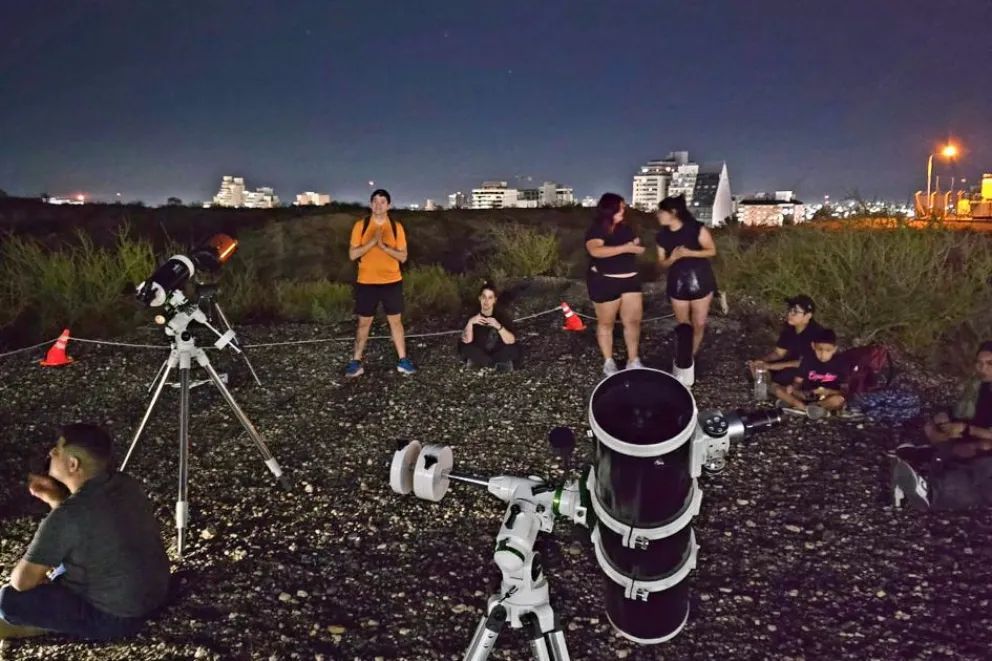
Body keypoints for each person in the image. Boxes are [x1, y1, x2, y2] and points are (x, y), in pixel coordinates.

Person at [0, 424, 170, 641]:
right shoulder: (126, 484)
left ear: (73, 464)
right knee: (67, 562)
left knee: (9, 600)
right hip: (155, 594)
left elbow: (21, 582)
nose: (51, 452)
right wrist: (54, 499)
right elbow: (87, 529)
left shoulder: (67, 515)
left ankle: (48, 627)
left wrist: (36, 579)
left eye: (58, 450)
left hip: (114, 617)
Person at [892, 342, 992, 510]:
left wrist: (966, 430)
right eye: (979, 363)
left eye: (990, 364)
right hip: (976, 435)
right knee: (933, 428)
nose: (983, 368)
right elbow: (967, 415)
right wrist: (946, 420)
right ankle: (923, 470)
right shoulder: (979, 387)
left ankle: (931, 492)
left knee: (982, 454)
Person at [346, 188, 416, 377]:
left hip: (392, 281)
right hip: (366, 282)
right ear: (371, 204)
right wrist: (371, 243)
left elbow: (403, 257)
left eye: (382, 202)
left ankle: (403, 360)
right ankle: (356, 361)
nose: (378, 205)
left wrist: (383, 246)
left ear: (388, 205)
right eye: (375, 201)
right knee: (363, 323)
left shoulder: (396, 227)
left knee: (396, 322)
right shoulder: (361, 226)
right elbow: (353, 255)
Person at [584, 193, 644, 376]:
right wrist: (626, 248)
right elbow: (595, 250)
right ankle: (608, 361)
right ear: (610, 209)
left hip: (630, 280)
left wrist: (635, 247)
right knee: (606, 323)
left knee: (633, 322)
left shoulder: (626, 227)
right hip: (606, 281)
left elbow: (634, 244)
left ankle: (633, 360)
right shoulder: (598, 229)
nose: (624, 210)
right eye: (621, 207)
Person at [655, 194, 717, 356]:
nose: (658, 215)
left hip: (700, 279)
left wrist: (690, 253)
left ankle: (691, 356)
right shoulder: (662, 235)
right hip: (677, 282)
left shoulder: (696, 228)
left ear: (673, 212)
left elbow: (711, 250)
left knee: (699, 322)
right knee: (683, 324)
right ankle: (683, 353)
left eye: (661, 212)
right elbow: (661, 262)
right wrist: (673, 258)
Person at [747, 294, 823, 391]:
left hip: (810, 370)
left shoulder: (817, 333)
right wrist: (762, 361)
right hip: (791, 364)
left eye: (795, 312)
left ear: (807, 316)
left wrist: (771, 366)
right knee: (760, 369)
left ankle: (780, 391)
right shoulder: (789, 329)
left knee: (787, 375)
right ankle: (771, 389)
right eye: (790, 310)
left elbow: (804, 363)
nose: (790, 314)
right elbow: (779, 353)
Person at [771, 327, 848, 413]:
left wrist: (828, 392)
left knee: (839, 400)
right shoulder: (808, 360)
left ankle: (807, 407)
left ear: (834, 349)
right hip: (805, 395)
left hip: (826, 398)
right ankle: (806, 408)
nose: (823, 354)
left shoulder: (840, 363)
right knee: (777, 389)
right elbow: (798, 382)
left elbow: (845, 391)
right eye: (819, 349)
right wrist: (793, 388)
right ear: (813, 346)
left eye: (828, 350)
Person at [458, 281, 520, 371]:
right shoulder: (473, 315)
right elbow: (467, 341)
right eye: (484, 297)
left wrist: (498, 326)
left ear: (494, 300)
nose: (486, 301)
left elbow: (511, 340)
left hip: (497, 353)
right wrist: (470, 323)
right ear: (480, 298)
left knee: (513, 349)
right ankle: (489, 364)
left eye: (490, 298)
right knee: (465, 348)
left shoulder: (502, 316)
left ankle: (490, 364)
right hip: (480, 353)